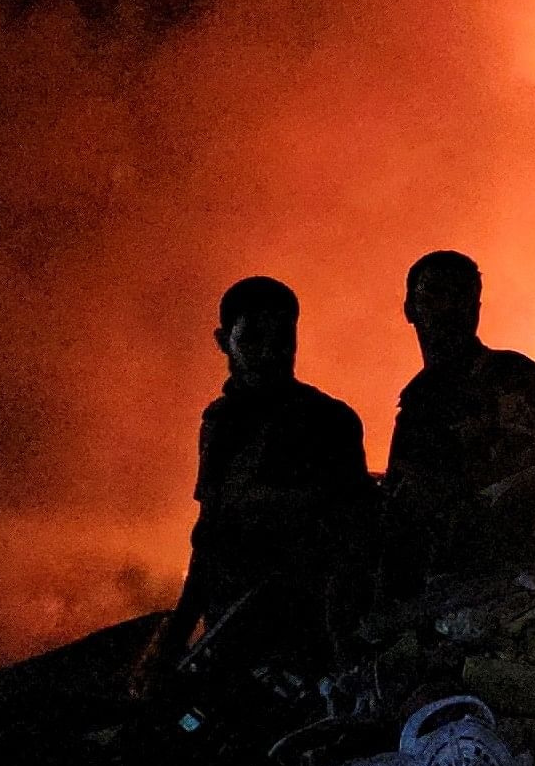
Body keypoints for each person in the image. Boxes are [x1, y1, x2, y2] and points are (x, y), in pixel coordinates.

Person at [147, 276, 374, 684]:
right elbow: (209, 537)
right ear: (223, 340)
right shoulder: (218, 425)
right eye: (253, 337)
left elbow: (355, 544)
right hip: (232, 633)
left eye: (282, 337)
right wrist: (174, 642)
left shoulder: (328, 422)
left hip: (305, 640)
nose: (270, 352)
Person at [381, 250, 535, 597]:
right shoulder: (423, 398)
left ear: (476, 308)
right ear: (410, 308)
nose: (449, 307)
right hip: (450, 577)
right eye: (435, 293)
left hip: (510, 577)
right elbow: (405, 492)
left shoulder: (510, 376)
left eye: (461, 295)